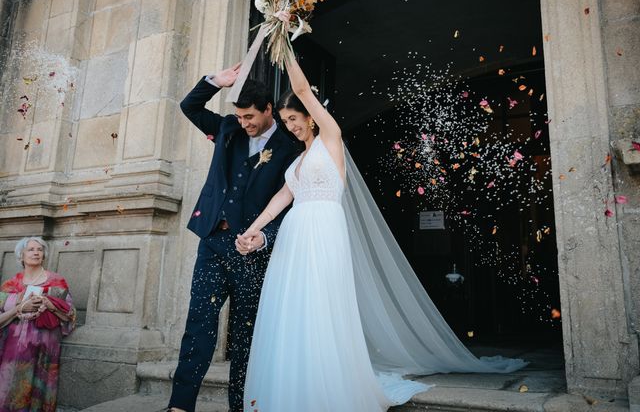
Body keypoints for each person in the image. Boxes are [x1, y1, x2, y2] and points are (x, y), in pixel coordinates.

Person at [237, 33, 527, 410]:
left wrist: (283, 42)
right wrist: (254, 228)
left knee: (323, 305)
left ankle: (329, 385)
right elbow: (281, 198)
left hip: (325, 231)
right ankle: (298, 382)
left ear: (311, 117)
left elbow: (303, 88)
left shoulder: (332, 140)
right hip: (295, 237)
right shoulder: (296, 163)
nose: (291, 126)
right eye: (287, 121)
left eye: (294, 118)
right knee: (295, 309)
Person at [168, 67, 299, 412]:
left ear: (269, 108)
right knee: (199, 322)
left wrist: (264, 238)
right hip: (213, 241)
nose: (244, 123)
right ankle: (180, 405)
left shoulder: (290, 147)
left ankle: (240, 407)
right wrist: (215, 82)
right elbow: (189, 107)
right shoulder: (228, 127)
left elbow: (289, 205)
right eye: (240, 116)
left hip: (252, 254)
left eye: (251, 116)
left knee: (246, 334)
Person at [0, 237, 76, 412]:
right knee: (9, 392)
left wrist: (51, 306)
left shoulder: (56, 282)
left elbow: (69, 316)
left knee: (38, 394)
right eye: (31, 249)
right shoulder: (10, 285)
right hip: (12, 351)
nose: (36, 252)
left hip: (45, 350)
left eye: (40, 249)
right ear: (21, 256)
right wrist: (19, 308)